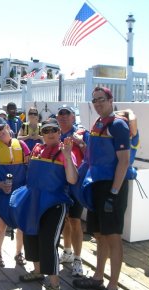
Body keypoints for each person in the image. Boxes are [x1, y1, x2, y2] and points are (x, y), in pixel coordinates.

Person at [73, 87, 131, 290]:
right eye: (94, 100)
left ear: (110, 100)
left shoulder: (117, 124)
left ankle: (113, 289)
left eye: (101, 99)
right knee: (99, 234)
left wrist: (114, 193)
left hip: (111, 187)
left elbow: (124, 162)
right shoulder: (98, 123)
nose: (97, 103)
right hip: (97, 185)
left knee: (113, 237)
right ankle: (98, 278)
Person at [10, 118, 78, 290]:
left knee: (48, 242)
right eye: (46, 130)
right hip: (34, 201)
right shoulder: (37, 149)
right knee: (30, 236)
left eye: (53, 130)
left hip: (54, 204)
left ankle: (55, 285)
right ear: (42, 133)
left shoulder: (64, 151)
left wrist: (69, 154)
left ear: (59, 132)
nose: (50, 134)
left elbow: (72, 180)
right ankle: (38, 271)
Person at [0, 117, 30, 268]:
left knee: (21, 225)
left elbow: (30, 167)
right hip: (0, 193)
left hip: (20, 192)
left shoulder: (22, 146)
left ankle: (19, 253)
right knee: (0, 225)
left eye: (0, 128)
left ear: (7, 127)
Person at [55, 104, 89, 277]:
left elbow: (92, 155)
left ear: (74, 117)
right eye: (60, 114)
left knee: (75, 221)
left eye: (67, 114)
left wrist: (81, 143)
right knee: (66, 220)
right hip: (61, 185)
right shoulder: (55, 134)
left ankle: (77, 258)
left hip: (76, 186)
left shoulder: (82, 133)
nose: (63, 116)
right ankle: (67, 251)